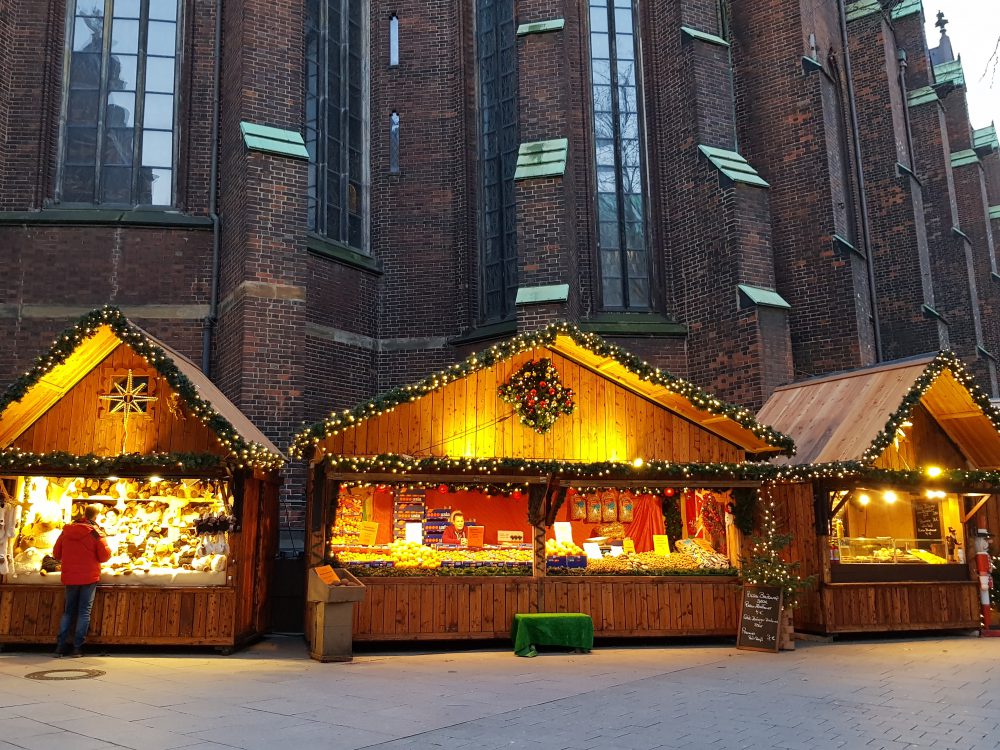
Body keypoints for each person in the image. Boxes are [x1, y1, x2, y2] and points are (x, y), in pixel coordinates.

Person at [52, 504, 111, 657]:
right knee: (84, 612)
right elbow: (105, 556)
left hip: (70, 576)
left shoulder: (66, 531)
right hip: (89, 577)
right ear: (96, 517)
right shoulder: (96, 533)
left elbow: (56, 553)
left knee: (68, 611)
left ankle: (60, 646)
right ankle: (77, 647)